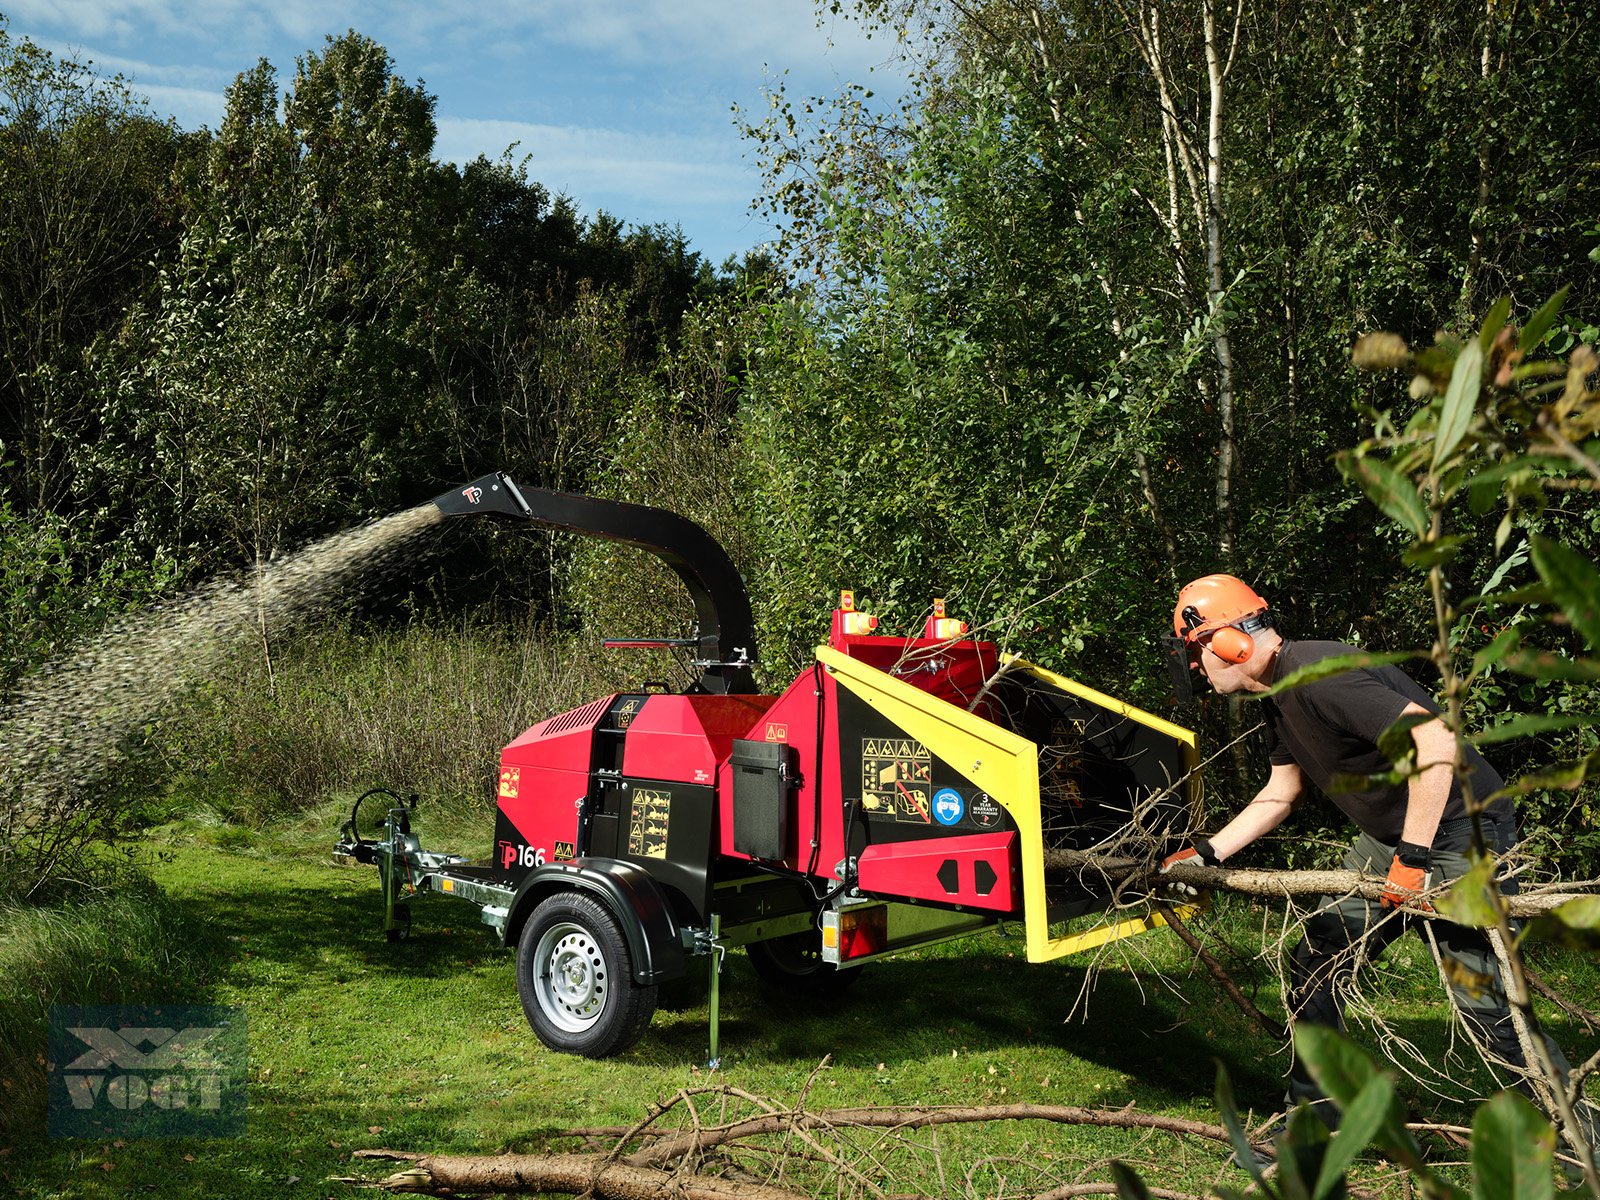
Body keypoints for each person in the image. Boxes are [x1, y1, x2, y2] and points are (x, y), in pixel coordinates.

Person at [1158, 573, 1584, 1143]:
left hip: (1462, 834)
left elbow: (1435, 740)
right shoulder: (1279, 698)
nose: (1197, 674)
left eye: (1195, 657)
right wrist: (1204, 854)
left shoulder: (1321, 676)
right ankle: (1318, 1114)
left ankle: (1583, 1134)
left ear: (1225, 643)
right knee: (1316, 962)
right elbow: (1281, 794)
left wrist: (1412, 857)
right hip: (1395, 840)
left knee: (1483, 1002)